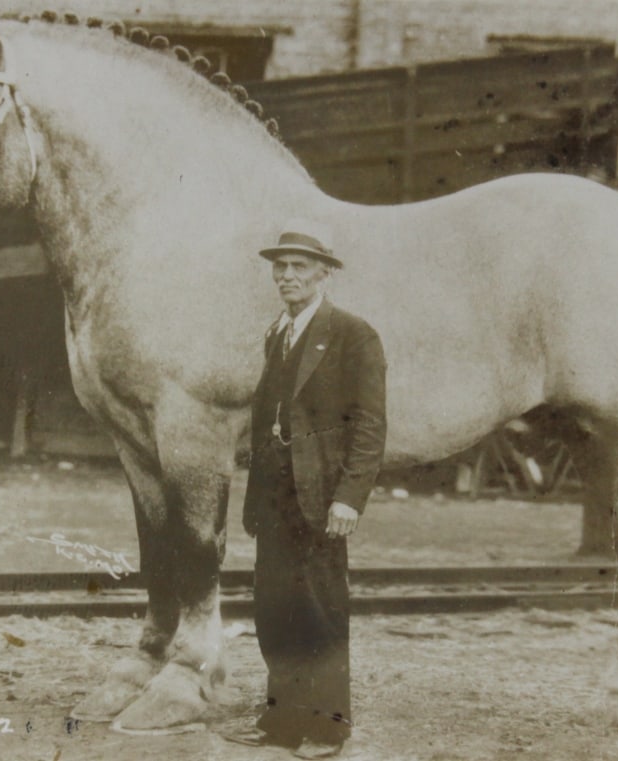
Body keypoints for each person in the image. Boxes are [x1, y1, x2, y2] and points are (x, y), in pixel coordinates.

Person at [231, 219, 387, 759]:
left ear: (324, 273)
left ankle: (326, 728)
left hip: (322, 497)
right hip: (274, 494)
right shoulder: (278, 332)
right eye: (280, 267)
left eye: (299, 266)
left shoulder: (352, 333)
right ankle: (283, 720)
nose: (287, 275)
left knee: (320, 609)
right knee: (275, 607)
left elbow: (369, 425)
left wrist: (350, 496)